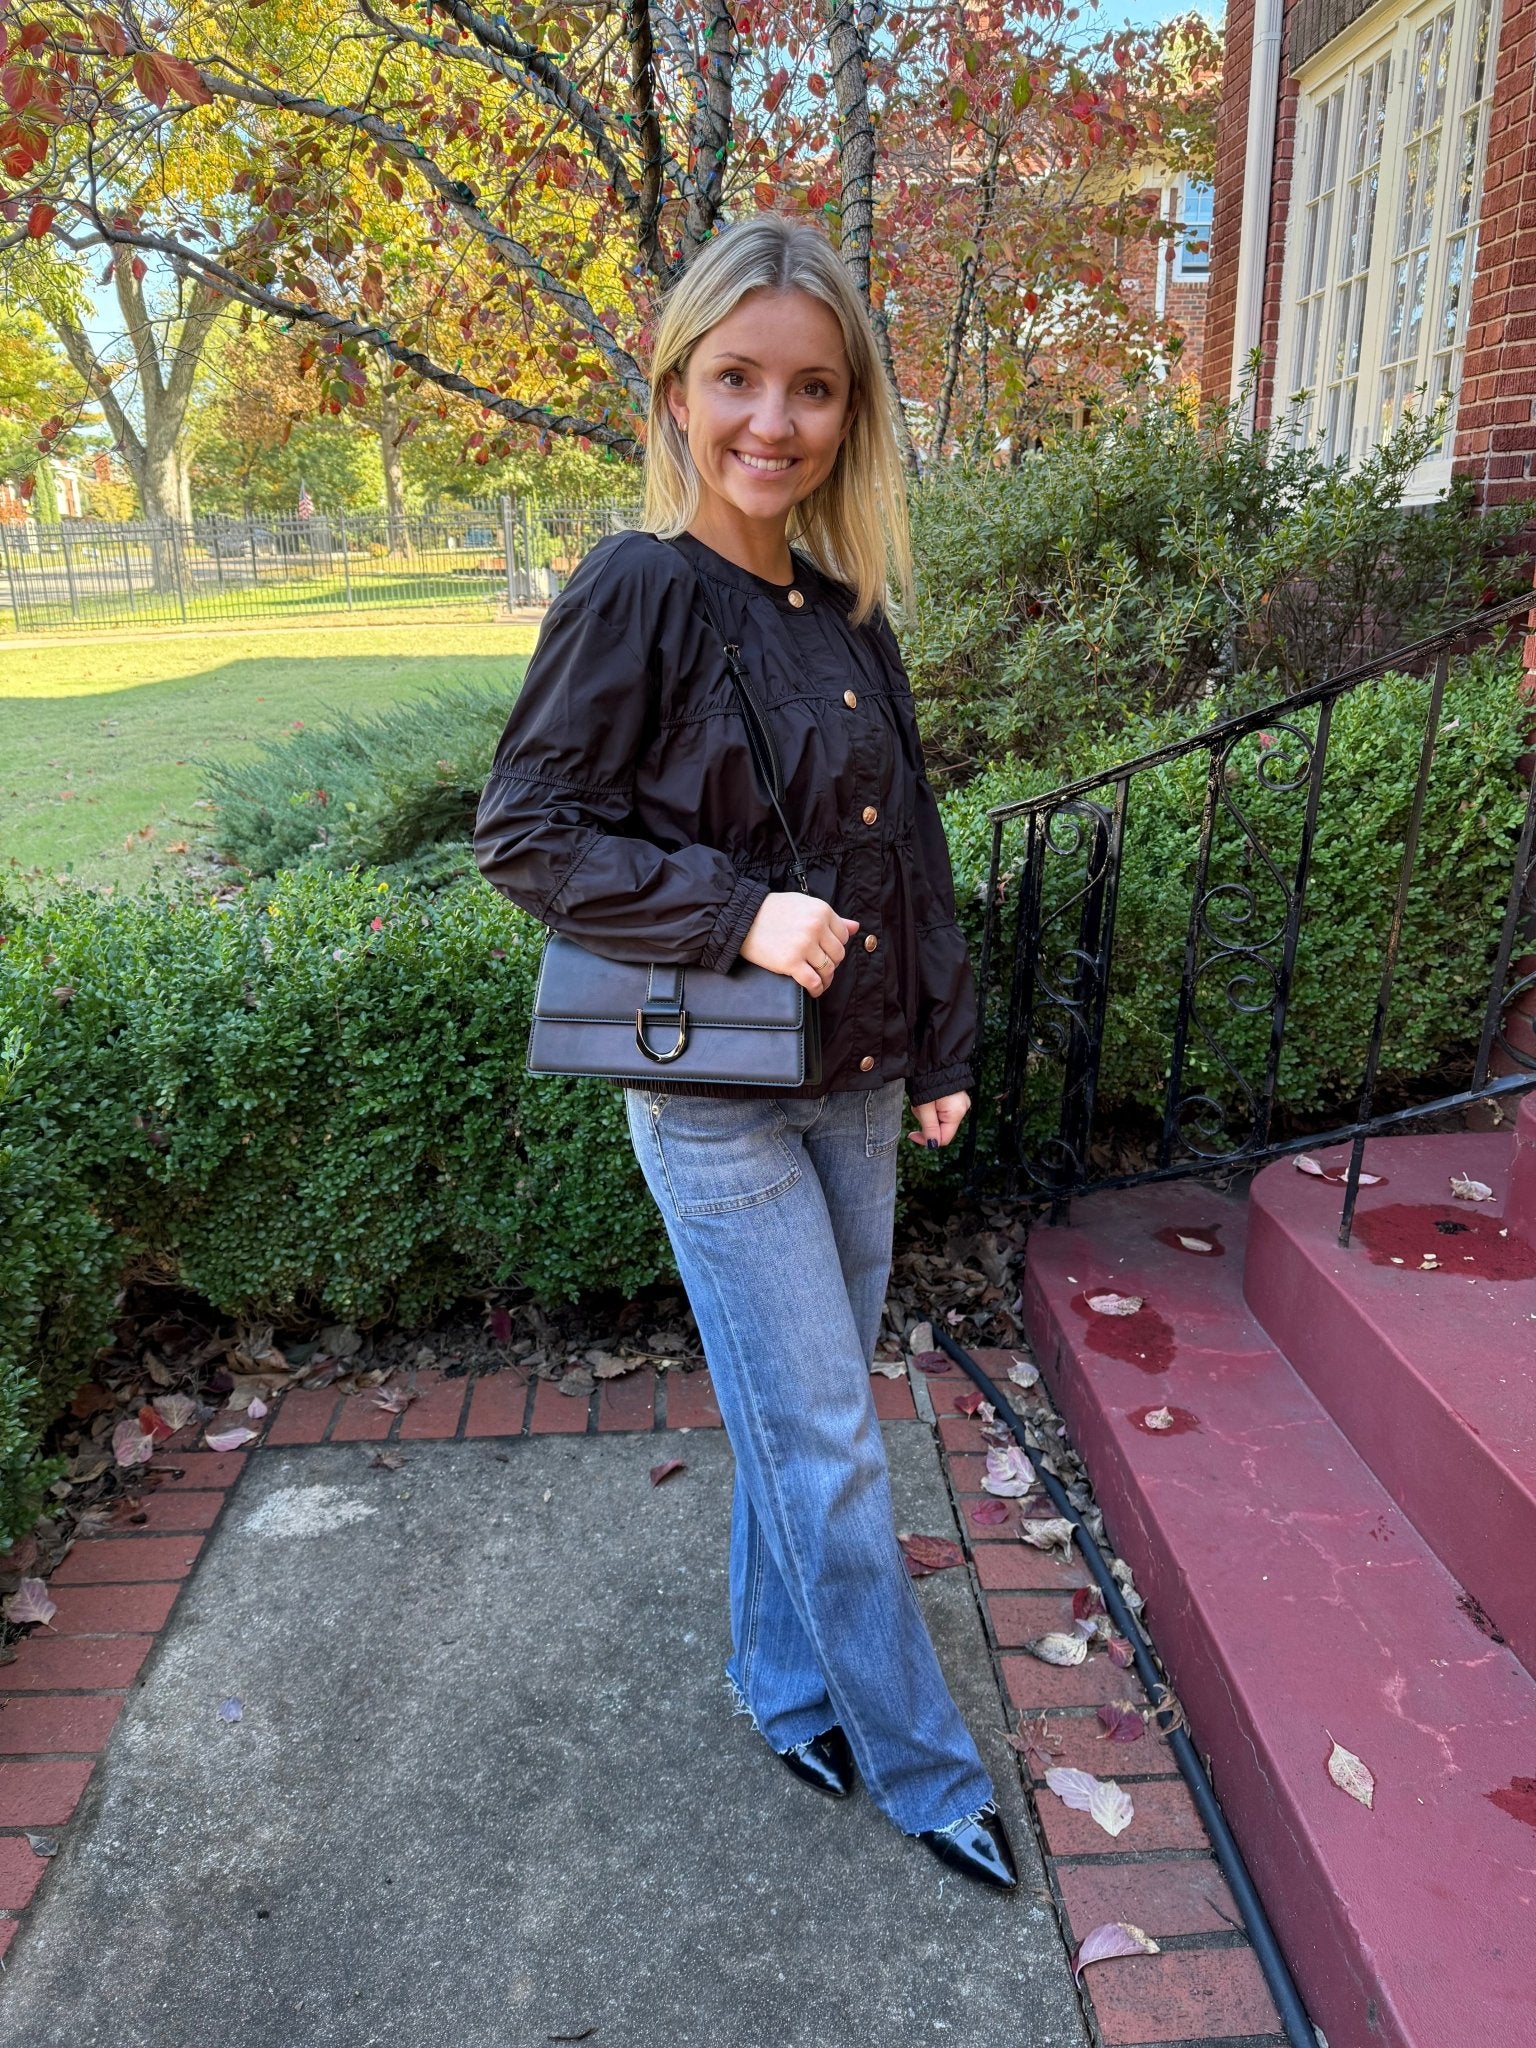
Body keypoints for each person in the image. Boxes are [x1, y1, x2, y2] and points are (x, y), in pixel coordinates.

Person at [473, 212, 1016, 1890]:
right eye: (736, 380)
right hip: (713, 1101)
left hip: (856, 1092)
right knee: (834, 1446)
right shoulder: (638, 589)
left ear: (851, 413)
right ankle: (929, 1772)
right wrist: (737, 912)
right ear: (677, 392)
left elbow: (911, 857)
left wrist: (941, 1043)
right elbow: (525, 833)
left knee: (802, 1424)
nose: (773, 422)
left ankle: (782, 1684)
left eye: (814, 389)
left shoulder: (849, 616)